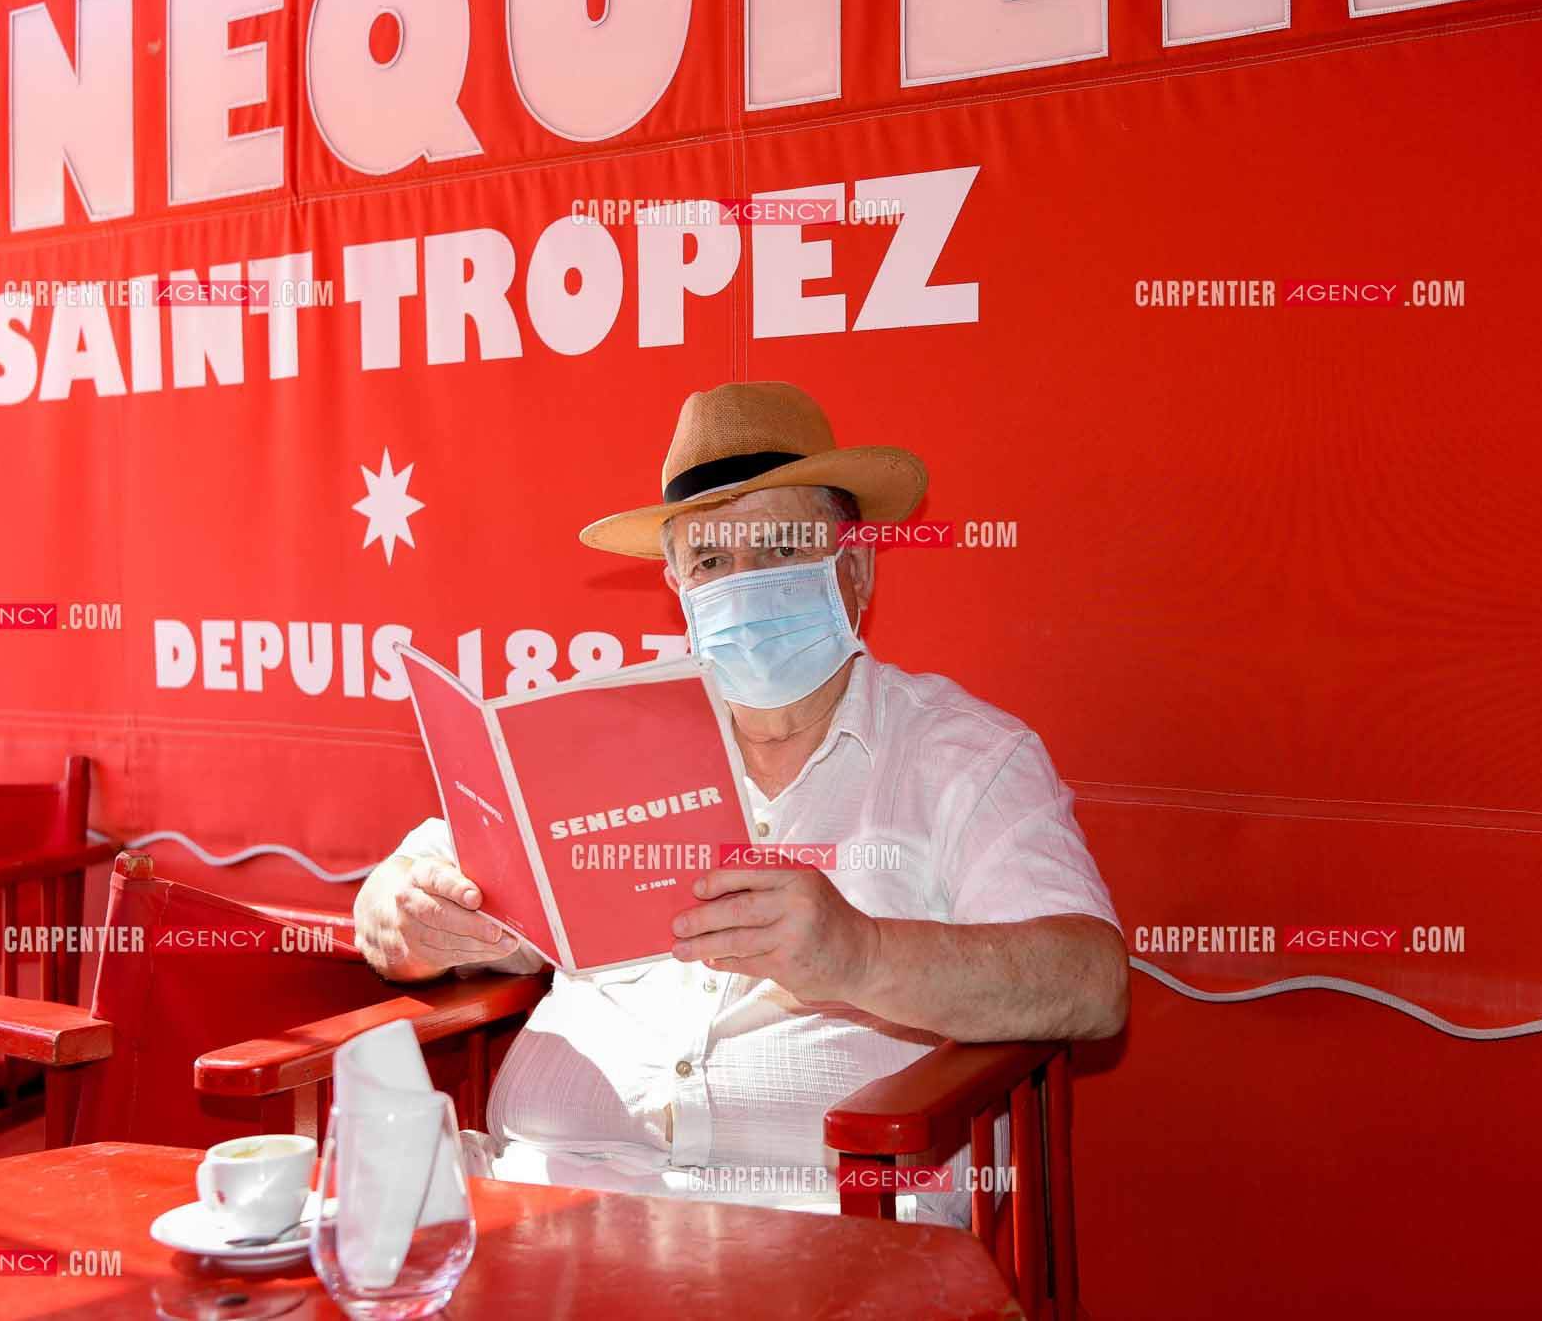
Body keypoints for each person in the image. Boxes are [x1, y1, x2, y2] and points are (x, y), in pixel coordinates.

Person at [354, 381, 1126, 1222]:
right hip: (545, 1208)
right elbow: (395, 904)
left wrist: (862, 955)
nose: (744, 587)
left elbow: (1089, 982)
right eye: (713, 563)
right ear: (679, 591)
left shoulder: (963, 756)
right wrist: (407, 916)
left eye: (780, 549)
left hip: (816, 1234)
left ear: (855, 565)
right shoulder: (588, 741)